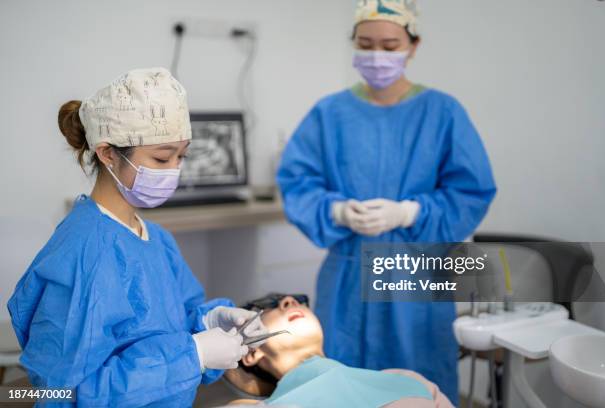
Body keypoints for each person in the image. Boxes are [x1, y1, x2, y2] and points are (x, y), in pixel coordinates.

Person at [276, 0, 497, 403]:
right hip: (347, 283)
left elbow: (471, 191)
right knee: (344, 383)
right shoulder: (330, 113)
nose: (378, 55)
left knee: (419, 385)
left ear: (413, 45)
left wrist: (412, 211)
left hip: (417, 278)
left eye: (390, 45)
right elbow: (296, 181)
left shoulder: (442, 112)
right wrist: (336, 210)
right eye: (366, 43)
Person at [7, 68, 267, 407]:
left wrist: (208, 322)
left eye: (181, 156)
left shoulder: (153, 238)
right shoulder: (83, 256)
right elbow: (64, 395)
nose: (175, 169)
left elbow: (162, 328)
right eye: (162, 157)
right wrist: (193, 355)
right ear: (107, 153)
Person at [218, 294, 453, 407]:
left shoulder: (406, 379)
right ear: (251, 354)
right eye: (267, 307)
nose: (289, 301)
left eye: (300, 301)